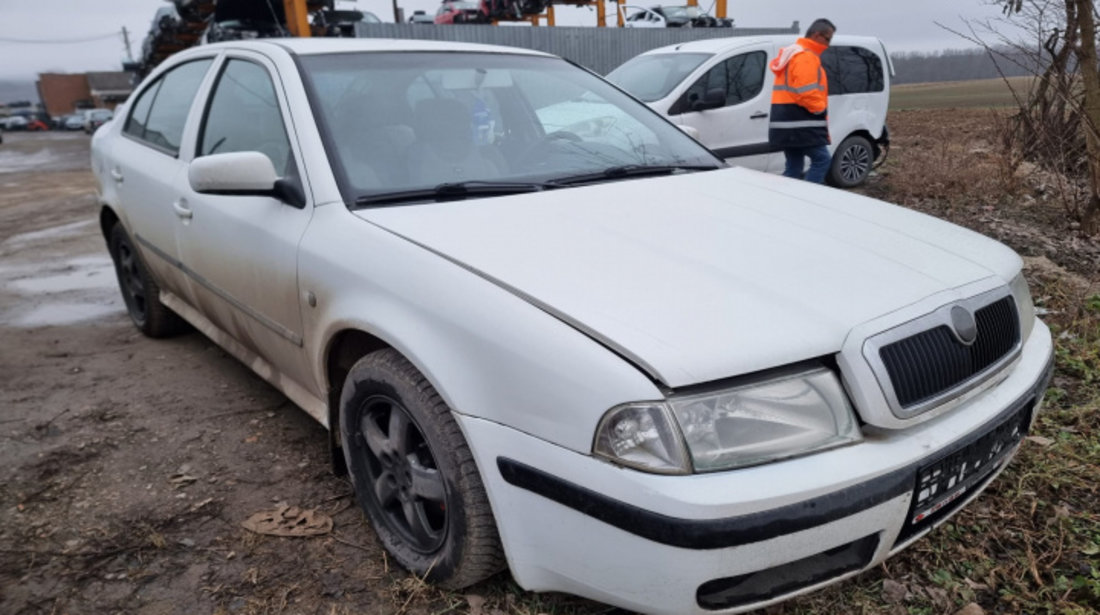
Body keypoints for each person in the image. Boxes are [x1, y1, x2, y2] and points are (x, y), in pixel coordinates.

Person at [768, 19, 836, 184]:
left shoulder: (792, 54)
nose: (828, 44)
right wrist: (820, 109)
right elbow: (806, 92)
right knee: (822, 160)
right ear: (816, 35)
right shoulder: (806, 57)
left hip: (787, 125)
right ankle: (807, 199)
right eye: (827, 39)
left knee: (794, 166)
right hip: (802, 125)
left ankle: (787, 200)